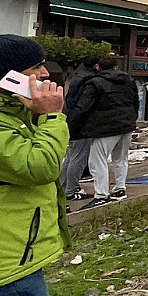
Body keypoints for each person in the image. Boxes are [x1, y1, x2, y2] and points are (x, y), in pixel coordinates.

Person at [0, 34, 70, 296]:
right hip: (3, 270)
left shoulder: (8, 113)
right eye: (35, 67)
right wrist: (52, 116)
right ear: (7, 78)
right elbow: (40, 166)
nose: (45, 74)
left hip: (15, 255)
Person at [69, 58, 139, 210]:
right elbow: (136, 102)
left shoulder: (95, 83)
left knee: (97, 161)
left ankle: (101, 195)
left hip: (105, 127)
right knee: (121, 158)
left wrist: (71, 124)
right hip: (127, 125)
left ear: (98, 67)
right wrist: (132, 119)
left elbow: (83, 107)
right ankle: (119, 189)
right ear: (116, 66)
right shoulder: (129, 81)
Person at [59, 55, 100, 201]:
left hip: (71, 121)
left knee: (70, 158)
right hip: (82, 124)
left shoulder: (78, 78)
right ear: (96, 66)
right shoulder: (91, 81)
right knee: (78, 159)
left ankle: (62, 187)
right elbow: (84, 105)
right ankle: (71, 190)